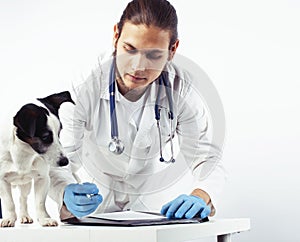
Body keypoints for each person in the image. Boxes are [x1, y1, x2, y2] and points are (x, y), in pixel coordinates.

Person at [49, 0, 226, 220]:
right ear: (116, 36)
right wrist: (65, 192)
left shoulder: (182, 88)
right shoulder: (84, 83)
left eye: (154, 55)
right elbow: (59, 159)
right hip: (91, 206)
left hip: (152, 208)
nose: (138, 66)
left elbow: (207, 159)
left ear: (172, 50)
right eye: (129, 49)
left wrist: (201, 196)